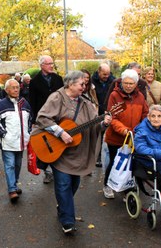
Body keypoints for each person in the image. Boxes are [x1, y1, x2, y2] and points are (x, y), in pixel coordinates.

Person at [31, 70, 111, 234]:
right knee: (63, 184)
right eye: (82, 84)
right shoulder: (57, 97)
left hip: (77, 154)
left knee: (73, 184)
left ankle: (63, 205)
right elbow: (43, 118)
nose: (84, 87)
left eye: (85, 84)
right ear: (70, 84)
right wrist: (61, 133)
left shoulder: (86, 103)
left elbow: (94, 125)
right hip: (58, 152)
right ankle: (67, 221)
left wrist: (104, 124)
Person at [103, 69, 149, 199]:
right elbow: (112, 117)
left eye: (131, 83)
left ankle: (127, 190)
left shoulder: (140, 97)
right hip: (116, 137)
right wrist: (124, 130)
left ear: (136, 84)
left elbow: (145, 115)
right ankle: (107, 185)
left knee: (130, 164)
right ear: (121, 82)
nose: (128, 86)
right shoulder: (114, 96)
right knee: (115, 162)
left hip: (133, 138)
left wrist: (140, 130)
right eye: (126, 83)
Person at [0, 79, 32, 203]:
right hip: (8, 142)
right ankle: (12, 190)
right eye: (13, 87)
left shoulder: (24, 103)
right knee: (9, 165)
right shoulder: (1, 105)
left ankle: (13, 184)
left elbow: (30, 118)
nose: (16, 89)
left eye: (17, 87)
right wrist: (4, 134)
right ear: (7, 90)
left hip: (21, 142)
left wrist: (28, 132)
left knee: (18, 165)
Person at [29, 55, 64, 184]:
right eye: (49, 64)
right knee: (45, 144)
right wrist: (33, 121)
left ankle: (58, 169)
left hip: (58, 117)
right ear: (42, 65)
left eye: (52, 63)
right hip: (42, 118)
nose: (51, 66)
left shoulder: (58, 79)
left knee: (57, 143)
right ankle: (47, 172)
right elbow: (32, 102)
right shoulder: (34, 82)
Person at [91, 63, 116, 168]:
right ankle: (97, 157)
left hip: (110, 110)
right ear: (99, 72)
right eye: (104, 74)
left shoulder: (113, 81)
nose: (106, 76)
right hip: (98, 111)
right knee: (98, 136)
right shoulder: (92, 81)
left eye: (108, 74)